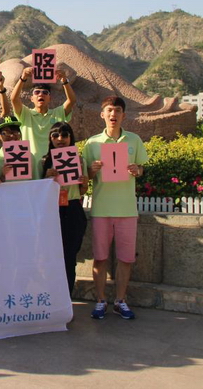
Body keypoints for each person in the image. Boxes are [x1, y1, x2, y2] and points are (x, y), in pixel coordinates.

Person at [83, 96, 148, 320]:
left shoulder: (134, 140)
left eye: (117, 111)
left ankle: (120, 301)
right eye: (109, 110)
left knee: (126, 259)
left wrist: (137, 170)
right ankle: (101, 300)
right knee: (100, 258)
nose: (113, 114)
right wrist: (91, 170)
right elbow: (84, 178)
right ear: (102, 114)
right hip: (101, 209)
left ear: (123, 115)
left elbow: (142, 168)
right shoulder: (92, 143)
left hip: (127, 210)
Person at [40, 122, 88, 297]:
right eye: (55, 135)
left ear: (71, 137)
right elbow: (37, 191)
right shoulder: (43, 161)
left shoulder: (79, 160)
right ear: (50, 139)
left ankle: (66, 299)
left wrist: (84, 182)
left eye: (64, 135)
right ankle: (50, 298)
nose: (60, 139)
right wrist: (46, 177)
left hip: (73, 208)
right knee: (49, 258)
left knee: (69, 258)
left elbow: (82, 191)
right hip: (51, 211)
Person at [11, 67, 76, 164]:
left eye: (45, 92)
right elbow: (14, 99)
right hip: (31, 164)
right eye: (37, 92)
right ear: (31, 98)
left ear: (50, 98)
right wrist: (23, 77)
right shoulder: (25, 114)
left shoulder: (58, 113)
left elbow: (72, 100)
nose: (41, 94)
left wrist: (64, 80)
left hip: (54, 163)